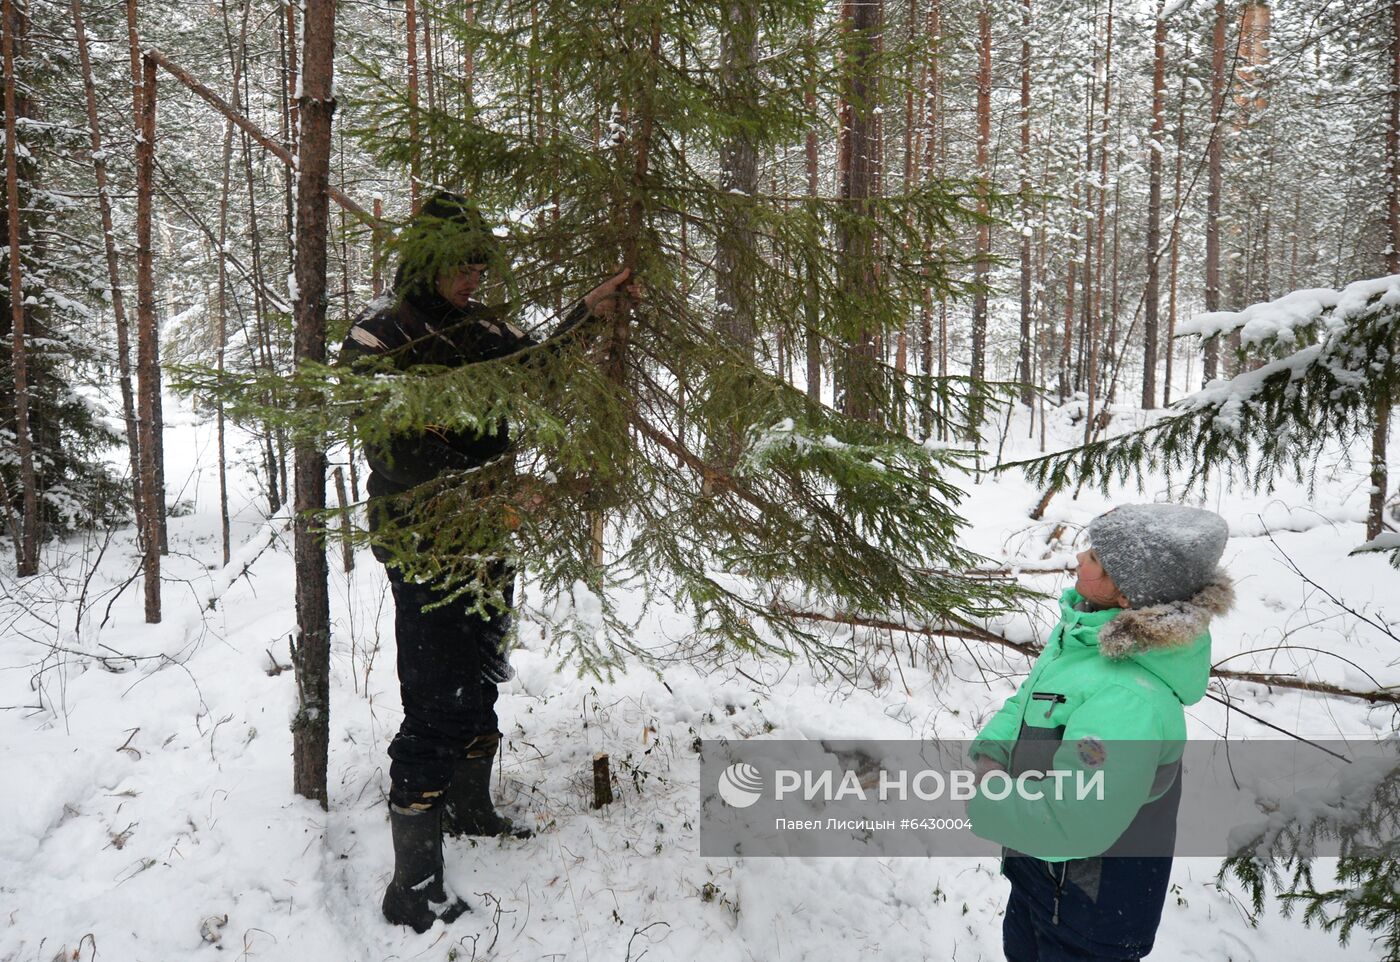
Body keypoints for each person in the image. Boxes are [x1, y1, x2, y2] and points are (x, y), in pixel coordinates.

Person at [338, 191, 635, 933]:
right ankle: (414, 884)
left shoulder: (487, 327)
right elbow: (393, 448)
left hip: (489, 535)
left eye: (482, 265)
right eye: (464, 266)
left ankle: (471, 809)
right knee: (436, 698)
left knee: (481, 673)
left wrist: (583, 315)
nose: (476, 277)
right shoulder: (381, 336)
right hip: (423, 539)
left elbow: (533, 370)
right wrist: (486, 495)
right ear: (430, 261)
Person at [966, 503, 1235, 961]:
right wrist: (993, 750)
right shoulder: (1084, 639)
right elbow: (1031, 699)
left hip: (1089, 910)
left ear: (1128, 597)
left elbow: (1073, 822)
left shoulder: (1126, 698)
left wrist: (985, 798)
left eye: (1095, 559)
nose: (1079, 559)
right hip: (1043, 876)